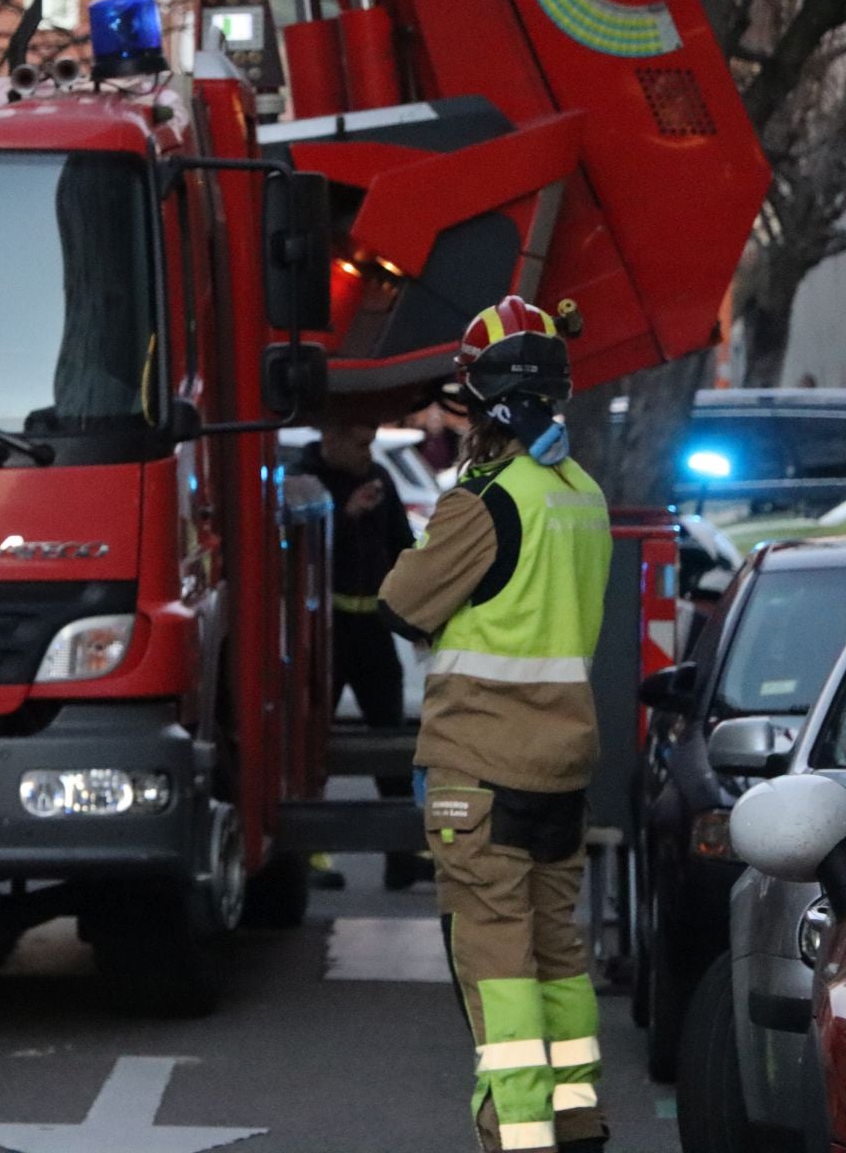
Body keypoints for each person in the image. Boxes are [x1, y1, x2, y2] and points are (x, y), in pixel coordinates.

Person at [379, 296, 612, 1153]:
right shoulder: (581, 494)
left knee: (499, 969)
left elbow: (405, 604)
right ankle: (577, 1118)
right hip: (562, 768)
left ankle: (517, 1138)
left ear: (483, 404)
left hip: (479, 769)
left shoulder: (482, 500)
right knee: (558, 958)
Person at [295, 422, 430, 890]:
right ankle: (309, 857)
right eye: (359, 441)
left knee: (392, 743)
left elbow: (401, 549)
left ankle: (403, 854)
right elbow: (293, 549)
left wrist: (418, 616)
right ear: (331, 440)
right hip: (323, 630)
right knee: (310, 748)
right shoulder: (303, 479)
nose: (368, 452)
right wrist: (342, 513)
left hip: (371, 627)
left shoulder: (380, 480)